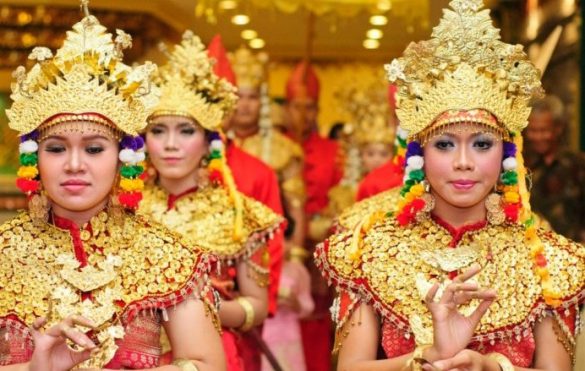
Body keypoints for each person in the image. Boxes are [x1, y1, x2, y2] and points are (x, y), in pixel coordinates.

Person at [316, 1, 584, 370]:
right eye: (444, 144)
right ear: (419, 155)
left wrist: (489, 366)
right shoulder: (369, 250)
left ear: (506, 154)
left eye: (482, 144)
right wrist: (425, 358)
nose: (463, 161)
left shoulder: (547, 262)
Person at [0, 5, 224, 370]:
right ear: (33, 157)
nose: (74, 165)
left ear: (123, 156)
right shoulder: (4, 253)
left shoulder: (168, 255)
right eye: (56, 149)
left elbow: (207, 363)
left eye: (93, 149)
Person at [138, 31, 283, 371]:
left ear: (208, 142)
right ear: (144, 140)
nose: (170, 144)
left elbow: (257, 306)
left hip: (214, 354)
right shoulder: (121, 208)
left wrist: (200, 308)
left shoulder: (240, 216)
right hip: (133, 355)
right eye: (159, 131)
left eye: (185, 131)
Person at [286, 60, 343, 371]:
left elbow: (342, 200)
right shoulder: (276, 148)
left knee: (318, 326)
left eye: (310, 108)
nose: (303, 114)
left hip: (319, 253)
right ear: (286, 108)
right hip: (282, 255)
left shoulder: (334, 151)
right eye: (297, 106)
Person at [524, 96, 585, 242]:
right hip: (533, 250)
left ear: (558, 128)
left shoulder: (578, 164)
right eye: (533, 130)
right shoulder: (520, 166)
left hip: (574, 252)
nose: (538, 137)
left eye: (544, 130)